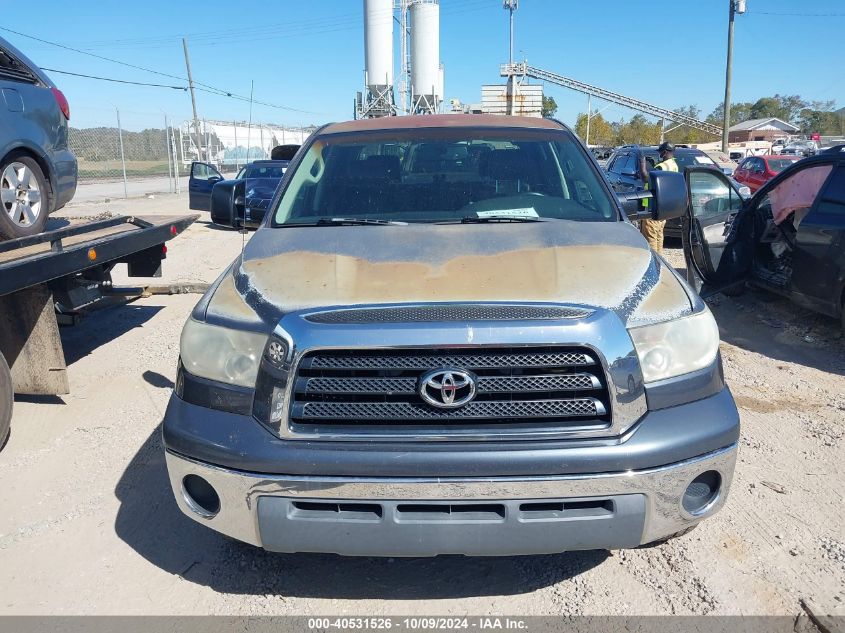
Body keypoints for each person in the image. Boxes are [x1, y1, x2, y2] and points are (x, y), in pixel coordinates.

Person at [639, 142, 678, 254]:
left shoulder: (662, 166)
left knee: (650, 237)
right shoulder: (673, 165)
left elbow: (645, 177)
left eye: (660, 152)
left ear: (665, 152)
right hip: (663, 207)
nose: (659, 154)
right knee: (658, 236)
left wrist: (642, 162)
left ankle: (654, 263)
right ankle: (660, 261)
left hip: (653, 207)